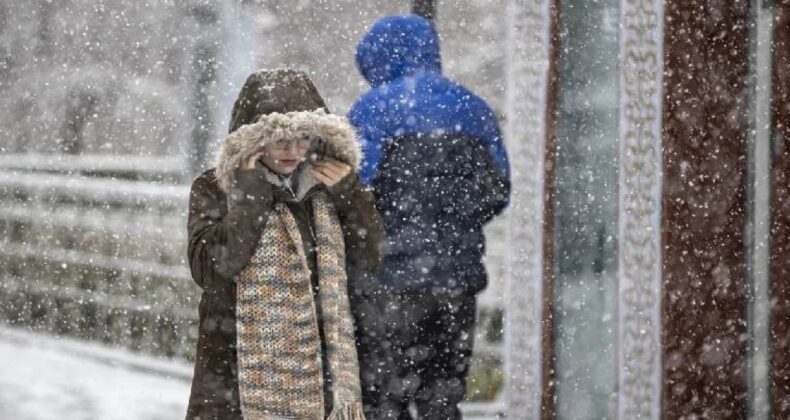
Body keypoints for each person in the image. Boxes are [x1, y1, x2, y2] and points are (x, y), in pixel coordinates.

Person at [186, 68, 384, 420]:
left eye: (303, 138)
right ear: (253, 141)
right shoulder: (215, 188)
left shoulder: (328, 185)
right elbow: (212, 268)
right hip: (234, 380)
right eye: (281, 141)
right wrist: (250, 198)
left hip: (320, 378)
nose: (294, 151)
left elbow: (371, 255)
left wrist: (350, 195)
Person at [348, 14, 511, 419]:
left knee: (384, 398)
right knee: (442, 396)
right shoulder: (475, 109)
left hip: (388, 281)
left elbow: (354, 195)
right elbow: (497, 191)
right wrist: (451, 229)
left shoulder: (371, 111)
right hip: (457, 280)